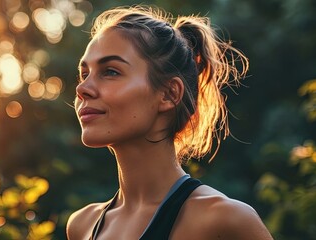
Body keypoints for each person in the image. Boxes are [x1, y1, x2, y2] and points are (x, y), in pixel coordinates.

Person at [66, 5, 273, 240]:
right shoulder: (82, 225)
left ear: (169, 94)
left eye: (111, 72)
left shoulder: (225, 220)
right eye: (85, 74)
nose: (82, 89)